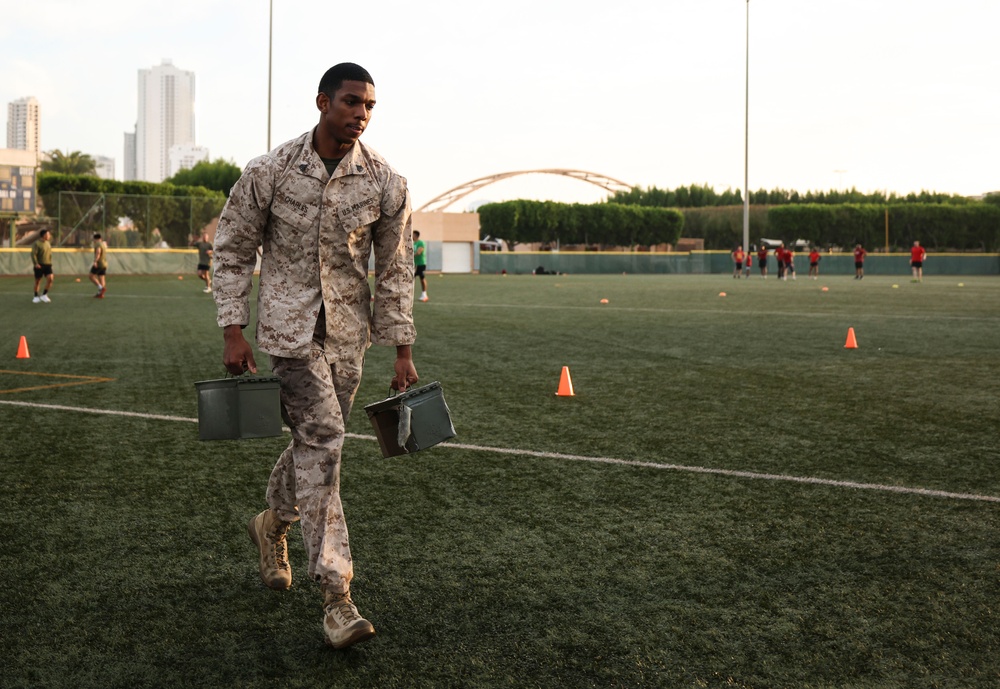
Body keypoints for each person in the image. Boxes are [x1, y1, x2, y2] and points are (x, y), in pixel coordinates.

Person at [212, 62, 418, 651]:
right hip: (289, 334)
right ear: (323, 101)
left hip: (348, 337)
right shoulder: (270, 172)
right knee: (325, 434)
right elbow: (231, 251)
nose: (361, 114)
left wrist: (402, 349)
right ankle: (336, 596)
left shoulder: (385, 182)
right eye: (351, 102)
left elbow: (397, 269)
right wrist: (234, 328)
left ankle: (271, 523)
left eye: (369, 106)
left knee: (314, 443)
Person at [31, 229, 54, 303]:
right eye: (48, 235)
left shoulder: (48, 243)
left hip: (48, 264)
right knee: (38, 281)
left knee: (50, 278)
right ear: (43, 235)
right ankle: (35, 296)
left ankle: (44, 295)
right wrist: (36, 263)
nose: (49, 236)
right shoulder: (36, 243)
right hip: (39, 265)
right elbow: (33, 254)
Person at [90, 232, 108, 298]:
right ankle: (101, 294)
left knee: (91, 276)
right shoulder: (103, 244)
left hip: (99, 263)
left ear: (95, 239)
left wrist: (95, 261)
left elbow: (98, 252)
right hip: (104, 263)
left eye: (93, 239)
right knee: (101, 278)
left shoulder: (98, 244)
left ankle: (101, 288)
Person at [413, 230, 428, 301]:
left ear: (416, 235)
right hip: (415, 264)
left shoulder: (421, 243)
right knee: (412, 278)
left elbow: (419, 252)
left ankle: (424, 294)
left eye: (412, 234)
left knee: (421, 278)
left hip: (421, 263)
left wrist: (409, 256)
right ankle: (410, 294)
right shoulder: (412, 243)